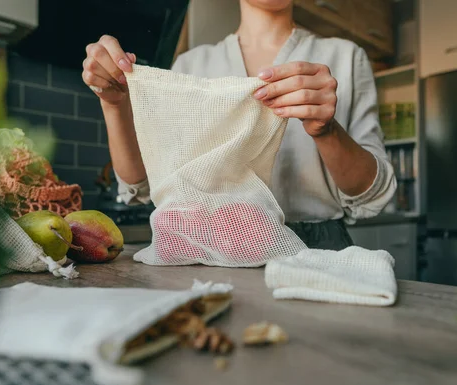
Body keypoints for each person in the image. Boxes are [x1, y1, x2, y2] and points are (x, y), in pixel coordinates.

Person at [81, 0, 397, 251]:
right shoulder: (192, 66)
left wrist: (326, 131)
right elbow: (145, 183)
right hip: (214, 248)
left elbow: (372, 192)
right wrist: (114, 103)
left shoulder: (347, 57)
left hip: (321, 250)